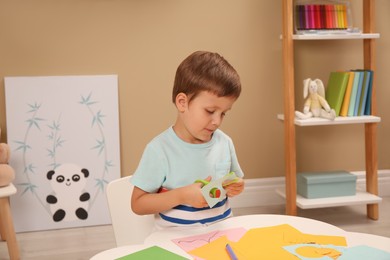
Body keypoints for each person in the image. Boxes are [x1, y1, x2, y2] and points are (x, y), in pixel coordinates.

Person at [130, 50, 245, 229]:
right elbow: (138, 204)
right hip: (174, 242)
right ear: (182, 102)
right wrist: (181, 196)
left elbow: (234, 180)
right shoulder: (160, 150)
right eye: (209, 111)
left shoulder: (224, 143)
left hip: (221, 235)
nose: (217, 121)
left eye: (223, 113)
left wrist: (235, 186)